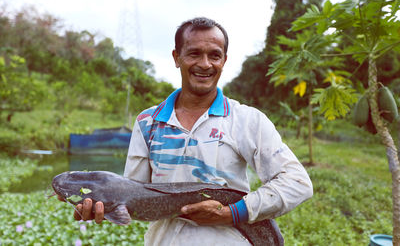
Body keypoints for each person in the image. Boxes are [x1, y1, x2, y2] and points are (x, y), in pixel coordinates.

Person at [70, 17, 313, 245]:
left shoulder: (247, 120)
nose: (205, 64)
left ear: (224, 61)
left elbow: (297, 183)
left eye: (214, 55)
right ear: (177, 58)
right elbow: (135, 196)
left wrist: (230, 213)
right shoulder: (147, 122)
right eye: (194, 53)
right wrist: (105, 206)